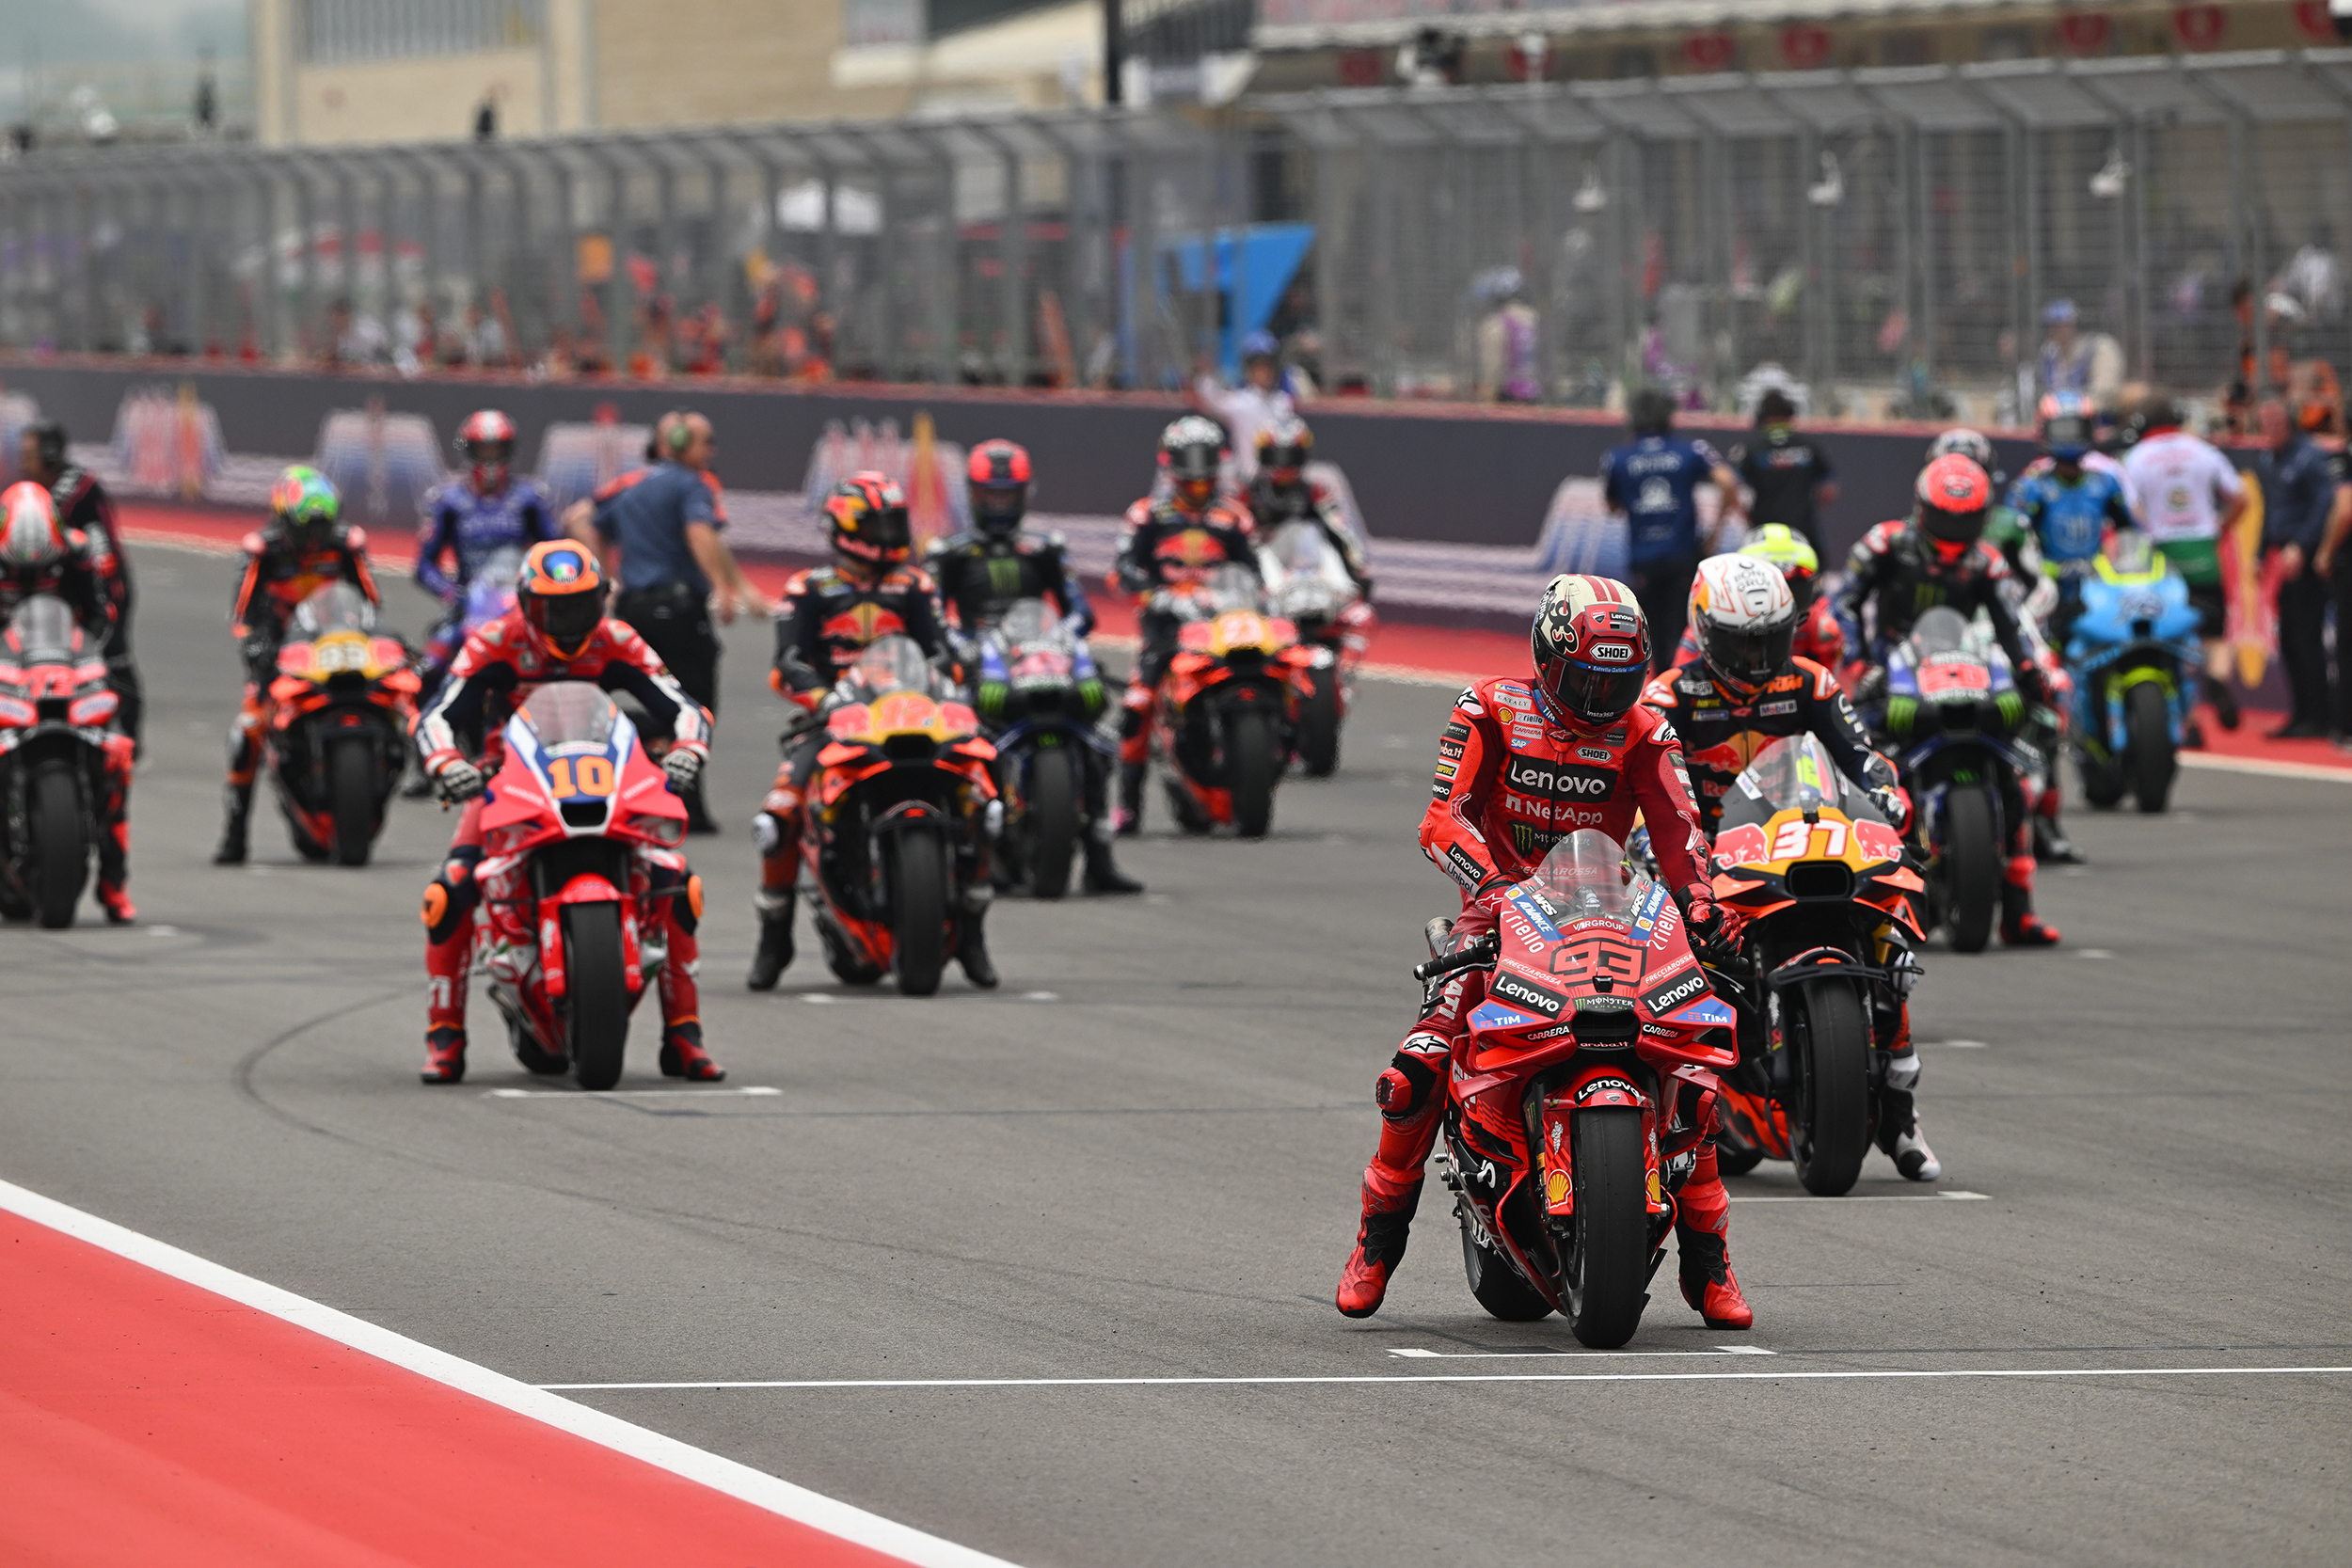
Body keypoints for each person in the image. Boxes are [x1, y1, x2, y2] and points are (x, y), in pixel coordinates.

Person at [1334, 574, 1752, 1327]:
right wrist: (1491, 885)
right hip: (1496, 915)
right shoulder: (1490, 707)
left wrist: (1700, 902)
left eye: (1617, 681)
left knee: (1689, 1059)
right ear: (1547, 653)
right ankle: (1376, 1243)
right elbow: (1442, 818)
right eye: (1585, 676)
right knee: (1416, 1070)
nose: (1599, 697)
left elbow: (1679, 829)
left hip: (1612, 912)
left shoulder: (1647, 729)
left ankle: (1709, 1263)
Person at [1643, 555, 1938, 1181]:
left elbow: (1862, 758)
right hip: (1707, 859)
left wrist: (1888, 797)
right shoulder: (1668, 695)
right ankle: (1660, 1110)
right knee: (1657, 952)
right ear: (1704, 629)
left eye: (1769, 640)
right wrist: (1653, 842)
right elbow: (1647, 785)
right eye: (1739, 642)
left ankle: (1901, 1114)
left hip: (1799, 838)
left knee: (1891, 937)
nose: (1755, 659)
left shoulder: (1810, 682)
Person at [413, 541, 719, 1085]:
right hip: (508, 778)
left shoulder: (617, 639)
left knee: (676, 880)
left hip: (606, 770)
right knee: (452, 888)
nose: (570, 620)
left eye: (581, 604)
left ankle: (684, 1035)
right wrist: (446, 762)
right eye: (556, 608)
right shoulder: (496, 639)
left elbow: (683, 706)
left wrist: (687, 750)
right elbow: (438, 713)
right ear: (528, 605)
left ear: (601, 600)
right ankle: (445, 1038)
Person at [749, 475, 989, 990]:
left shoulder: (914, 585)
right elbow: (788, 662)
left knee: (984, 793)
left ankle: (972, 927)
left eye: (895, 521)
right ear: (846, 529)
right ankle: (775, 931)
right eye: (880, 524)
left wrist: (949, 676)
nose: (892, 533)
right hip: (836, 718)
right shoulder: (809, 588)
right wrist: (823, 697)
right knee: (780, 814)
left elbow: (940, 652)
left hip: (912, 713)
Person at [1838, 455, 2060, 948]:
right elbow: (1846, 602)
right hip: (1892, 670)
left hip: (1962, 664)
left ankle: (2018, 912)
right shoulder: (1885, 544)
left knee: (2012, 769)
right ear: (1922, 508)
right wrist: (1857, 663)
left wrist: (2027, 669)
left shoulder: (1987, 561)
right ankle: (1871, 901)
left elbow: (2009, 621)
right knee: (1866, 770)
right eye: (1946, 516)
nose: (1955, 527)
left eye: (1966, 518)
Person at [926, 439, 1140, 897]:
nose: (1000, 504)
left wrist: (1065, 635)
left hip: (1036, 653)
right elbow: (933, 618)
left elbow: (1079, 612)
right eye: (991, 495)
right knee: (956, 744)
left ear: (1025, 496)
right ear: (974, 496)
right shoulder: (949, 552)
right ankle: (965, 853)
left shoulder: (1045, 549)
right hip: (980, 662)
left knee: (1097, 737)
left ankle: (1100, 857)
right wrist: (961, 645)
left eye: (1008, 495)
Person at [574, 411, 766, 832]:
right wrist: (724, 588)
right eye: (706, 441)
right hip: (680, 614)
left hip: (634, 612)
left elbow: (578, 518)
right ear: (680, 444)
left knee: (629, 686)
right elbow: (702, 535)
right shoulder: (693, 484)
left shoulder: (631, 483)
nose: (711, 450)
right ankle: (685, 804)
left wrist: (605, 580)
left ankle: (628, 762)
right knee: (695, 706)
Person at [215, 467, 381, 866]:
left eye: (322, 527)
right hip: (280, 648)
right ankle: (235, 833)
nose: (314, 538)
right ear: (283, 517)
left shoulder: (347, 545)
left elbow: (371, 600)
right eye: (305, 528)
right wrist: (254, 645)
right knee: (248, 730)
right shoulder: (262, 549)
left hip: (336, 641)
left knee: (395, 691)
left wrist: (378, 634)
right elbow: (243, 611)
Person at [1110, 417, 1260, 834]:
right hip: (1166, 632)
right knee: (1137, 703)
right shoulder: (1146, 515)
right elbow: (1123, 568)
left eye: (1205, 458)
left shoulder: (1234, 519)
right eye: (1187, 459)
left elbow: (1256, 572)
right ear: (1170, 463)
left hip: (1223, 626)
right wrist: (1154, 593)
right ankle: (1128, 806)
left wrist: (1254, 597)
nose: (1196, 472)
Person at [0, 482, 135, 922]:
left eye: (43, 569)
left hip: (64, 663)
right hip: (7, 666)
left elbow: (101, 611)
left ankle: (114, 884)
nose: (29, 578)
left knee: (117, 753)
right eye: (17, 570)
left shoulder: (78, 553)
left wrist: (97, 650)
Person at [413, 409, 561, 748]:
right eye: (483, 450)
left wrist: (545, 589)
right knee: (427, 669)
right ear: (470, 452)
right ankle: (426, 752)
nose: (490, 459)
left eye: (497, 449)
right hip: (469, 607)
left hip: (519, 604)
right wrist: (452, 594)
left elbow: (555, 552)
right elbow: (424, 566)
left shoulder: (530, 498)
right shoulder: (448, 501)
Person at [2119, 395, 2250, 736]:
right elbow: (2241, 497)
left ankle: (2187, 720)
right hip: (2203, 549)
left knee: (2170, 639)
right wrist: (2220, 527)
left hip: (2162, 555)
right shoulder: (2203, 451)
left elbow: (2129, 508)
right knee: (2215, 635)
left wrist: (2149, 530)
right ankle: (2217, 678)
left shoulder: (2137, 457)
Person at [1600, 388, 1742, 671]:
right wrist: (1716, 529)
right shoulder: (1690, 449)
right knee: (1683, 631)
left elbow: (1612, 507)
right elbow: (1727, 482)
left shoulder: (1618, 457)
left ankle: (1660, 695)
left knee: (1650, 634)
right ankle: (1683, 694)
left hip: (1643, 559)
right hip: (1683, 556)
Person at [22, 420, 139, 752]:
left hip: (106, 584)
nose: (23, 463)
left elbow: (101, 553)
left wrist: (106, 607)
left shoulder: (73, 492)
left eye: (29, 455)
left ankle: (129, 736)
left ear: (49, 455)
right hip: (74, 582)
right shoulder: (44, 491)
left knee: (112, 656)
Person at [2004, 393, 2139, 650]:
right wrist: (2038, 573)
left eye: (2076, 428)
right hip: (2046, 589)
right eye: (2061, 429)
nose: (2069, 436)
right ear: (2044, 431)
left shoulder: (2105, 483)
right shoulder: (2032, 488)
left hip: (2096, 588)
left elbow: (2130, 532)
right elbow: (2011, 541)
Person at [2254, 395, 2352, 739]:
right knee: (2290, 638)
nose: (2271, 429)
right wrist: (2259, 552)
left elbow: (2328, 505)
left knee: (2307, 637)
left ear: (2291, 421)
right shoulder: (2268, 460)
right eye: (2265, 423)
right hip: (2282, 556)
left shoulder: (2311, 457)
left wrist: (2304, 546)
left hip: (2307, 557)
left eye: (2277, 422)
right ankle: (2302, 712)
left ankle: (2319, 715)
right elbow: (2270, 510)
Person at [1674, 523, 1842, 671]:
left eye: (1795, 587)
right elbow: (1682, 678)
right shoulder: (1715, 622)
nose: (1784, 602)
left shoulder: (1821, 627)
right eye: (1773, 588)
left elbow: (1829, 691)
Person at [1244, 416, 1373, 599]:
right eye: (1278, 457)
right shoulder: (1248, 492)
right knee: (1260, 549)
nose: (1284, 465)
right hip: (1265, 565)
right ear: (1264, 456)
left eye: (1291, 457)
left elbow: (1341, 532)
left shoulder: (1314, 491)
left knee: (1318, 536)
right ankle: (1273, 594)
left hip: (1306, 566)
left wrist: (1358, 568)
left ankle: (1343, 591)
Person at [1728, 390, 1837, 550]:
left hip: (1763, 528)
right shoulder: (1810, 446)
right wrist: (1805, 507)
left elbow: (1731, 486)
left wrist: (1747, 515)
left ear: (1763, 417)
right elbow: (1829, 491)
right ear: (1790, 416)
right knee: (1810, 571)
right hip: (1802, 527)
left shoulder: (1750, 448)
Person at [1193, 331, 1303, 483]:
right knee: (1223, 470)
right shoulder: (1240, 400)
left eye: (1267, 366)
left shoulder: (1283, 402)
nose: (1264, 373)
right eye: (1258, 367)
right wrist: (1205, 376)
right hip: (1247, 479)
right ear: (1249, 369)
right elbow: (1212, 402)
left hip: (1281, 477)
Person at [1470, 267, 1541, 404]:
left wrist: (1487, 400)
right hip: (1536, 398)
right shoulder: (1533, 318)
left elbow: (1493, 369)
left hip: (1508, 398)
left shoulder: (1496, 324)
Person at [2037, 299, 2124, 407]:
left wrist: (2075, 405)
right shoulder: (2049, 355)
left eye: (2063, 326)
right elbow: (2044, 392)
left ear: (2074, 325)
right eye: (2052, 327)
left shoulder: (2098, 348)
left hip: (2096, 418)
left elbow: (2106, 392)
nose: (2057, 331)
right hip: (2057, 419)